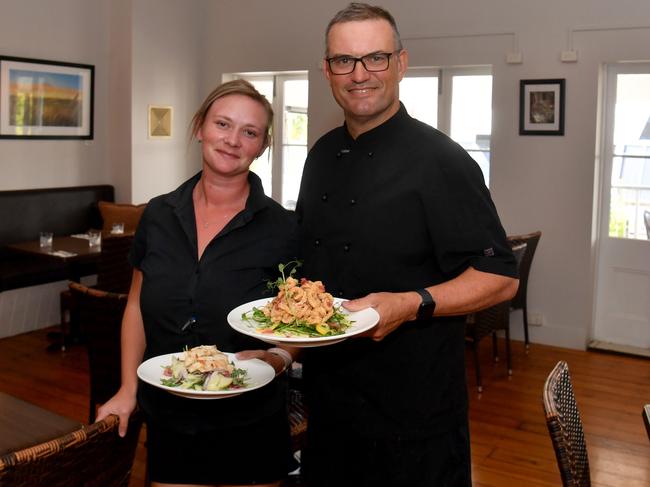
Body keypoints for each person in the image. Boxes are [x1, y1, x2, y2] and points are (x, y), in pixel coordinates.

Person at [295, 3, 519, 486]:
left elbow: (500, 277)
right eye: (343, 61)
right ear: (326, 71)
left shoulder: (443, 161)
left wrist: (408, 303)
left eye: (375, 58)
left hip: (414, 419)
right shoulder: (320, 155)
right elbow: (311, 268)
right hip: (328, 410)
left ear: (401, 63)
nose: (359, 74)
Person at [96, 79, 299, 487]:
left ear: (262, 146)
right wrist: (127, 387)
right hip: (170, 412)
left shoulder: (284, 228)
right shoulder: (157, 215)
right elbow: (136, 306)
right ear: (199, 128)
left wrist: (279, 359)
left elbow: (295, 321)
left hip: (252, 414)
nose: (232, 140)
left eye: (250, 132)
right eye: (223, 124)